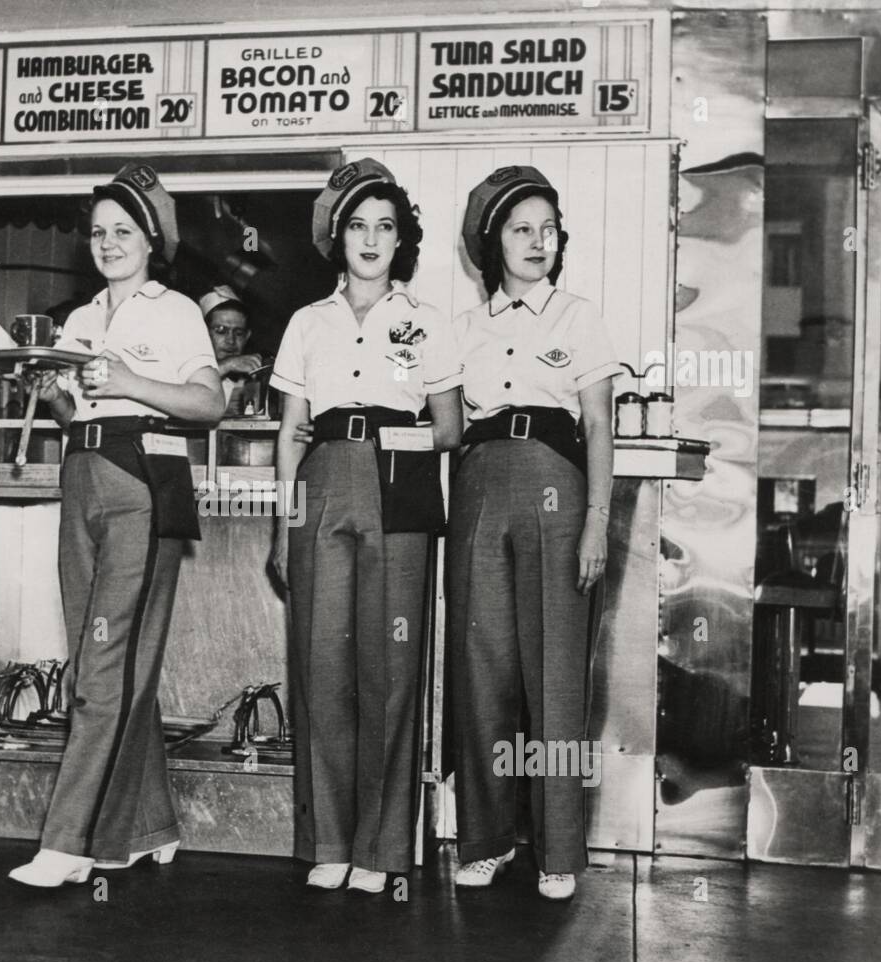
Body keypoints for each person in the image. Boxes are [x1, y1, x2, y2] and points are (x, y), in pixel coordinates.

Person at [8, 164, 225, 888]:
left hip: (143, 482)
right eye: (98, 232)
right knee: (106, 661)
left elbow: (208, 403)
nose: (108, 242)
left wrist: (130, 380)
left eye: (123, 231)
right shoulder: (80, 318)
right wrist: (52, 393)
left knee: (104, 669)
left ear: (152, 239)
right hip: (83, 474)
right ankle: (152, 826)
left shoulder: (177, 311)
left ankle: (71, 843)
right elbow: (81, 413)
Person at [270, 159, 462, 893]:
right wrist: (284, 525)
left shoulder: (426, 320)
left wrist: (395, 444)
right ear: (338, 236)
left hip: (400, 490)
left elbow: (450, 428)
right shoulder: (306, 323)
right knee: (324, 672)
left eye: (385, 225)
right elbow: (291, 433)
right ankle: (329, 843)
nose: (371, 238)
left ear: (401, 238)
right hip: (322, 484)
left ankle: (383, 853)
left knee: (390, 672)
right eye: (358, 225)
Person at [446, 165, 620, 902]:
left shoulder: (579, 318)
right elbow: (447, 427)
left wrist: (596, 524)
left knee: (554, 677)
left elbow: (601, 424)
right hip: (481, 486)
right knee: (483, 674)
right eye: (521, 228)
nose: (537, 241)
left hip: (557, 485)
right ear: (493, 243)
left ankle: (557, 851)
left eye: (548, 229)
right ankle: (485, 841)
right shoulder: (463, 329)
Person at [198, 285, 264, 414]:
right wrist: (227, 365)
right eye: (221, 331)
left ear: (247, 337)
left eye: (238, 333)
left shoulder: (248, 383)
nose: (231, 340)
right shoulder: (178, 370)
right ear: (203, 333)